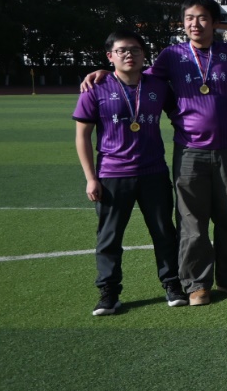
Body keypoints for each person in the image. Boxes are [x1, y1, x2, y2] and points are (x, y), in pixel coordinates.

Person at [74, 29, 185, 315]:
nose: (129, 55)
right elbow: (82, 136)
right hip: (112, 174)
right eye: (122, 50)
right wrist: (90, 178)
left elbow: (181, 115)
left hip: (153, 172)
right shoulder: (95, 87)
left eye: (135, 50)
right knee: (109, 237)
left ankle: (172, 284)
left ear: (144, 54)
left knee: (163, 232)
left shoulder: (158, 86)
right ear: (109, 56)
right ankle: (109, 293)